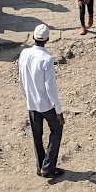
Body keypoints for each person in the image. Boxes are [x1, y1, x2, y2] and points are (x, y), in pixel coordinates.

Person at [19, 24, 64, 177]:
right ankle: (48, 166)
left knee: (36, 134)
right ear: (47, 40)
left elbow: (21, 79)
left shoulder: (24, 53)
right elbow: (50, 88)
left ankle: (40, 165)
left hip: (31, 102)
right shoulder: (47, 59)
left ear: (33, 37)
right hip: (45, 104)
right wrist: (58, 111)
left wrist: (27, 96)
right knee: (56, 129)